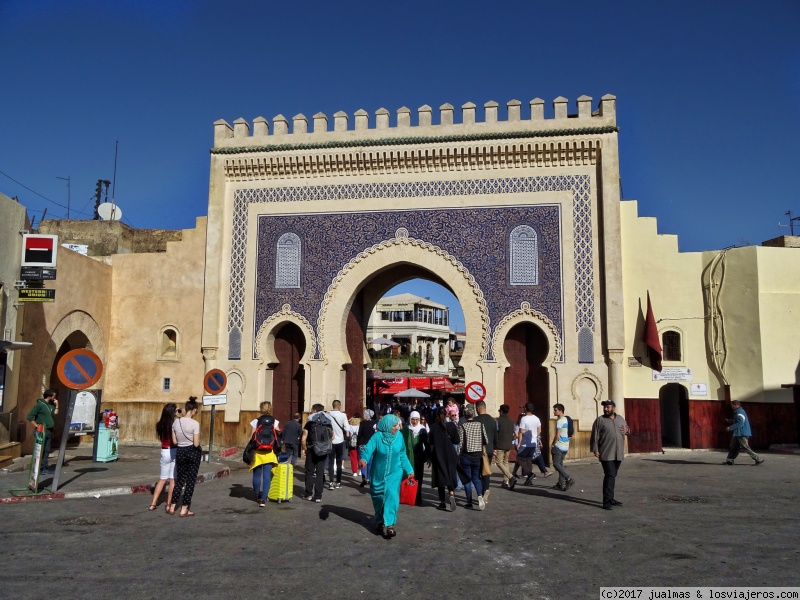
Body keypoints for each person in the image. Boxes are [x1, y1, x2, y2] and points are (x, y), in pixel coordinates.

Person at [359, 414, 414, 538]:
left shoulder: (399, 437)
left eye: (397, 425)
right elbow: (368, 449)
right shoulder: (377, 437)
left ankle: (389, 525)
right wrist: (364, 459)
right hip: (378, 472)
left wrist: (409, 470)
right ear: (387, 425)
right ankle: (380, 519)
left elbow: (402, 455)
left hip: (395, 471)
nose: (397, 428)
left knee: (392, 495)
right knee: (378, 496)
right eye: (395, 426)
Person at [589, 399, 630, 510]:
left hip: (619, 453)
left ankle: (611, 498)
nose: (606, 409)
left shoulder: (620, 418)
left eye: (608, 407)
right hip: (606, 453)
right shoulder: (600, 420)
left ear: (613, 408)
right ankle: (606, 501)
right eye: (605, 407)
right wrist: (595, 449)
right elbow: (595, 436)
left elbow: (628, 430)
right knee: (610, 475)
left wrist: (626, 430)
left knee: (612, 476)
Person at [170, 397, 202, 516]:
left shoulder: (176, 422)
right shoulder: (195, 424)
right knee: (190, 481)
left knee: (180, 480)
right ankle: (184, 509)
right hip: (192, 452)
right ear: (194, 410)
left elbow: (174, 441)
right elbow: (196, 443)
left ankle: (172, 506)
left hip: (180, 451)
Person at [509, 403, 551, 489]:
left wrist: (519, 443)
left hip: (525, 443)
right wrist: (535, 437)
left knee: (519, 458)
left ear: (525, 409)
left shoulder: (524, 419)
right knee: (528, 459)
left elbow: (520, 432)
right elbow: (539, 430)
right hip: (533, 443)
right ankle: (529, 480)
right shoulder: (537, 418)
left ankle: (530, 474)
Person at [249, 401, 280, 507]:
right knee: (267, 475)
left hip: (258, 451)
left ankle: (257, 495)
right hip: (269, 451)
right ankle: (264, 498)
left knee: (256, 475)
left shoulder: (255, 421)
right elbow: (277, 435)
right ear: (270, 408)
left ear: (260, 408)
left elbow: (252, 436)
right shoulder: (274, 421)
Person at [428, 407, 460, 511]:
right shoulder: (451, 425)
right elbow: (457, 440)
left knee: (440, 478)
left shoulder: (433, 427)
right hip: (450, 454)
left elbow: (431, 442)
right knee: (450, 475)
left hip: (438, 455)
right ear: (446, 414)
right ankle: (451, 493)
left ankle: (442, 502)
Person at [458, 405, 488, 510]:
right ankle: (480, 495)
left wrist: (458, 455)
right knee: (476, 478)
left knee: (467, 480)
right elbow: (486, 440)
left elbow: (460, 443)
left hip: (466, 455)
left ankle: (469, 501)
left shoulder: (462, 426)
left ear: (465, 415)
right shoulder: (480, 425)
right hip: (477, 455)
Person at [301, 404, 332, 503]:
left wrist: (304, 448)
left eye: (311, 409)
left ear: (314, 410)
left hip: (311, 449)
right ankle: (318, 496)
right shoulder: (327, 423)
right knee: (320, 473)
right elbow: (333, 437)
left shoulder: (310, 423)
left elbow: (303, 439)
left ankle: (308, 494)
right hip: (323, 451)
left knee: (309, 472)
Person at [150, 403, 177, 511]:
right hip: (174, 450)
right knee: (172, 480)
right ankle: (168, 504)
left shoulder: (159, 424)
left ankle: (153, 503)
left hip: (164, 451)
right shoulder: (174, 425)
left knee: (162, 479)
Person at [27, 389, 59, 474]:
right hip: (42, 430)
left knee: (47, 450)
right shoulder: (39, 405)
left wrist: (57, 405)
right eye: (54, 396)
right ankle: (38, 468)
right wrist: (37, 426)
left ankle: (44, 467)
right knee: (40, 450)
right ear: (49, 396)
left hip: (49, 431)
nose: (55, 397)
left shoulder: (51, 405)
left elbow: (55, 415)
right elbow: (30, 417)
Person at [401, 411, 430, 506]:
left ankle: (418, 495)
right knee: (406, 475)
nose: (414, 422)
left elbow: (426, 444)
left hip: (418, 457)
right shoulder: (406, 429)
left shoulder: (422, 430)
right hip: (407, 456)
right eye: (413, 419)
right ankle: (407, 494)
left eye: (416, 419)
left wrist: (427, 456)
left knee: (418, 476)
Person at [724, 400, 764, 466]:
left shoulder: (740, 412)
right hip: (738, 433)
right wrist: (730, 421)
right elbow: (738, 421)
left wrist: (730, 427)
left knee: (745, 447)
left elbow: (740, 422)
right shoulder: (738, 412)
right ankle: (730, 460)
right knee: (734, 446)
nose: (731, 407)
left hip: (741, 433)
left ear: (735, 405)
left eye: (732, 405)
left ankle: (758, 459)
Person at [474, 400, 497, 503]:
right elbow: (496, 436)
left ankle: (482, 492)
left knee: (478, 472)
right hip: (490, 449)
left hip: (479, 450)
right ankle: (486, 489)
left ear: (478, 409)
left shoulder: (475, 420)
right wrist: (494, 447)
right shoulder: (492, 420)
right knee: (486, 470)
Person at [550, 403, 575, 492]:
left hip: (559, 446)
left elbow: (557, 435)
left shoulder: (560, 421)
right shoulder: (566, 420)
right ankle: (561, 484)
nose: (554, 411)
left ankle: (568, 478)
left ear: (561, 410)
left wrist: (553, 444)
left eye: (555, 410)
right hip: (565, 446)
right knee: (560, 464)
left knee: (556, 464)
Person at [327, 399, 349, 489]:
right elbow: (347, 427)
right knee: (339, 462)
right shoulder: (343, 415)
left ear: (332, 405)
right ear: (339, 406)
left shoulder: (328, 415)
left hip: (330, 441)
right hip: (340, 441)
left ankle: (331, 482)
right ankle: (338, 482)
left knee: (330, 462)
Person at [494, 404, 516, 488]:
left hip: (500, 444)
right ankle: (505, 481)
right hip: (508, 444)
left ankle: (510, 477)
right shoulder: (511, 421)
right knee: (505, 462)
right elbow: (516, 434)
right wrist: (511, 439)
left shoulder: (497, 421)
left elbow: (496, 432)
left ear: (501, 411)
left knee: (498, 462)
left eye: (499, 411)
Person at [357, 409, 378, 487]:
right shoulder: (375, 423)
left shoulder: (362, 423)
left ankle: (363, 478)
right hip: (371, 444)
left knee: (362, 460)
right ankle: (368, 478)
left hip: (362, 444)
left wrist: (357, 444)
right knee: (370, 461)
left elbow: (359, 434)